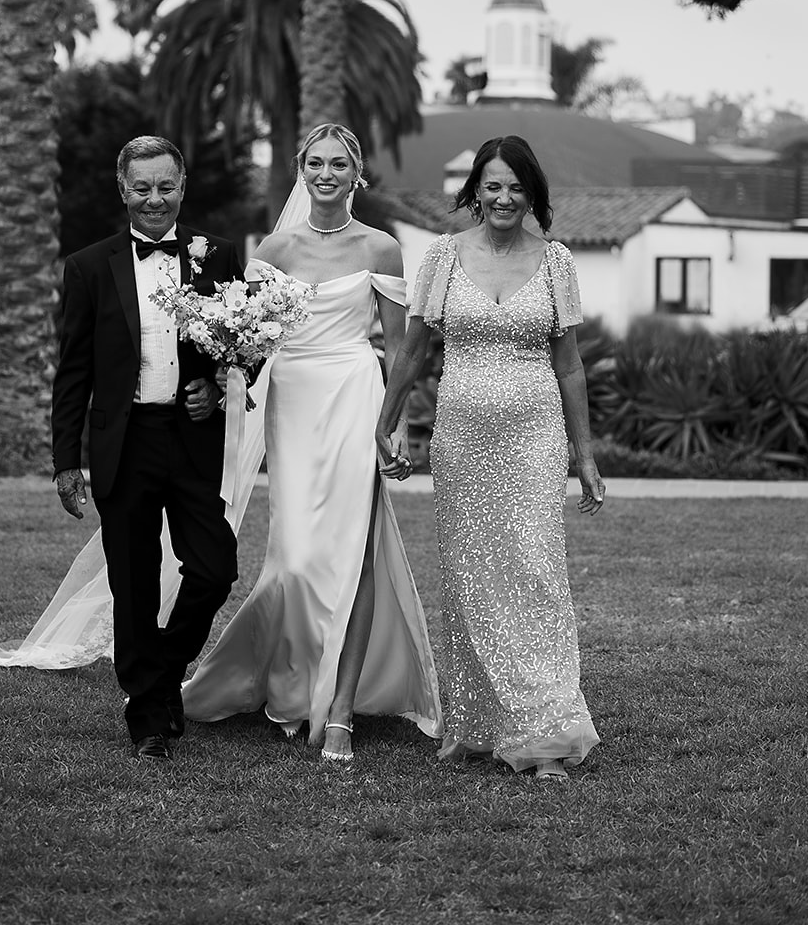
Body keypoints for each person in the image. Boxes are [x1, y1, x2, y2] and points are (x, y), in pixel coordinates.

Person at [180, 122, 442, 763]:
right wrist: (224, 366)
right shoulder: (275, 248)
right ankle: (292, 683)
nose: (326, 175)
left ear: (357, 174)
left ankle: (343, 706)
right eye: (316, 164)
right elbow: (255, 341)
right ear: (301, 170)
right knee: (295, 559)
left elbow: (402, 351)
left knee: (354, 553)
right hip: (293, 399)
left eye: (339, 165)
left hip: (354, 394)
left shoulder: (381, 249)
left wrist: (398, 429)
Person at [376, 134, 605, 782]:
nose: (503, 197)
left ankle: (546, 730)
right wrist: (385, 424)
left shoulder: (556, 262)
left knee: (534, 572)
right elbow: (414, 352)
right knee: (472, 581)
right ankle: (482, 723)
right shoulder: (442, 257)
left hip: (534, 434)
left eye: (515, 186)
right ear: (475, 190)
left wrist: (583, 454)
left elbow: (569, 367)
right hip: (461, 440)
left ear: (532, 193)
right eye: (492, 185)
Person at [47, 134, 247, 762]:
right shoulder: (87, 267)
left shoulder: (217, 257)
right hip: (122, 443)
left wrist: (215, 392)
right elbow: (72, 371)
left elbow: (247, 343)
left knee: (215, 567)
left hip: (190, 441)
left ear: (182, 187)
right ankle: (149, 721)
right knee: (133, 583)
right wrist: (65, 460)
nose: (154, 198)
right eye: (142, 187)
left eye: (166, 186)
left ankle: (161, 672)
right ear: (123, 189)